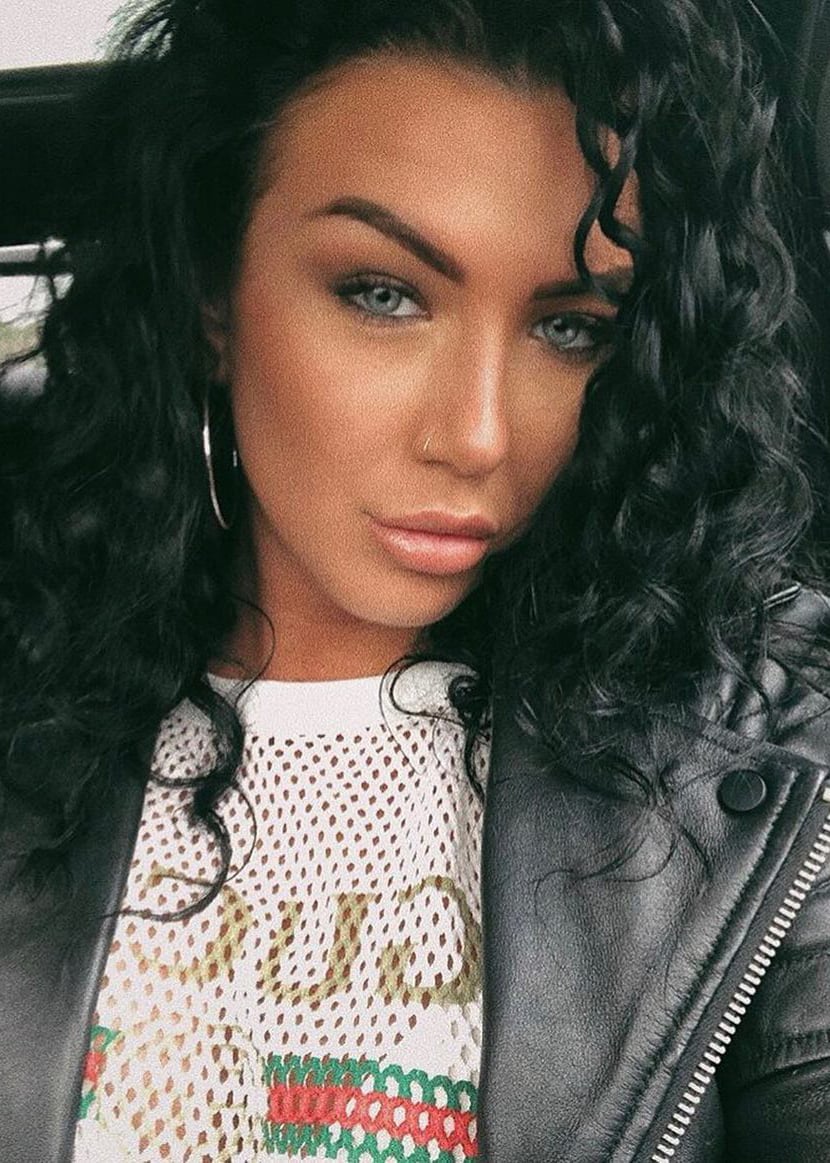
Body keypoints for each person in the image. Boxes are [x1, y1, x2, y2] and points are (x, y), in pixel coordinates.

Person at [2, 0, 830, 1159]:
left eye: (569, 326)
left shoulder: (762, 748)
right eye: (383, 294)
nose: (478, 435)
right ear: (210, 294)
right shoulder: (27, 697)